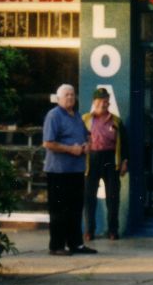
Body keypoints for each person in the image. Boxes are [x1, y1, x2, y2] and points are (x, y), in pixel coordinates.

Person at [42, 84, 97, 256]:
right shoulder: (54, 116)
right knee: (59, 210)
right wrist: (69, 149)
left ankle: (76, 244)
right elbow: (48, 143)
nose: (70, 98)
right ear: (59, 98)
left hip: (76, 170)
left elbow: (87, 134)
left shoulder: (77, 116)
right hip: (59, 171)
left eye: (72, 95)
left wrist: (87, 145)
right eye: (66, 95)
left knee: (75, 208)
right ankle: (56, 246)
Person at [82, 87, 129, 242]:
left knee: (112, 197)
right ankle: (90, 230)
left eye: (106, 100)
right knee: (89, 198)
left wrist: (124, 161)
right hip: (92, 160)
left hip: (110, 159)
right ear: (94, 102)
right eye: (101, 100)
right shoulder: (85, 119)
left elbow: (125, 144)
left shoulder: (116, 121)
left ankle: (112, 230)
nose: (104, 103)